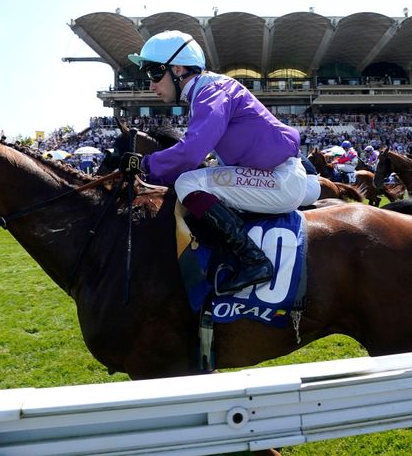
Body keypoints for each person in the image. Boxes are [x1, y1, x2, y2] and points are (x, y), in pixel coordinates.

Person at [125, 30, 318, 294]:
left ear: (178, 69)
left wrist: (144, 165)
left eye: (154, 74)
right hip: (279, 175)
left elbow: (190, 152)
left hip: (281, 180)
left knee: (187, 183)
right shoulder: (208, 91)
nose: (151, 85)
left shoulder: (211, 91)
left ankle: (253, 259)